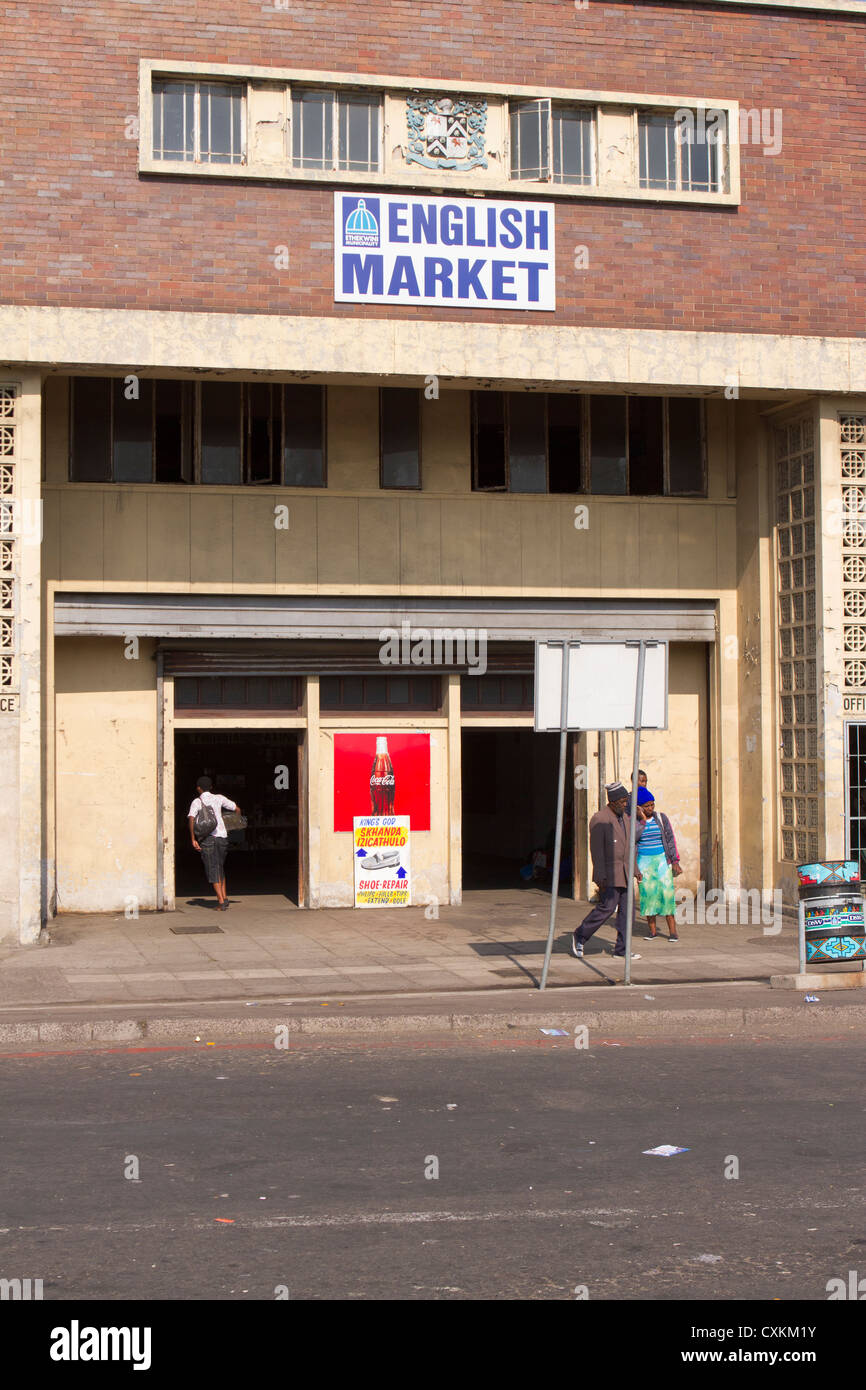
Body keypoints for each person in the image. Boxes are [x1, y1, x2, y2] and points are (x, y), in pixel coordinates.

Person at [572, 781, 644, 961]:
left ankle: (622, 950)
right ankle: (580, 935)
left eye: (626, 801)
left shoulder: (626, 818)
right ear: (612, 802)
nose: (625, 804)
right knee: (607, 908)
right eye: (622, 801)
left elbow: (630, 847)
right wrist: (600, 875)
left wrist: (635, 869)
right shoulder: (600, 819)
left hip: (626, 873)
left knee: (628, 913)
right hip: (610, 874)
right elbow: (596, 851)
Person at [188, 774, 241, 912]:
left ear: (198, 788)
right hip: (222, 837)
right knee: (220, 867)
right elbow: (236, 809)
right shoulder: (219, 798)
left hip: (208, 839)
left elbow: (191, 819)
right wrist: (233, 824)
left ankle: (221, 902)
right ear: (211, 787)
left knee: (212, 869)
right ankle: (225, 897)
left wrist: (193, 838)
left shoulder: (197, 802)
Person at [636, 786, 682, 941]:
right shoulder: (635, 822)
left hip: (662, 861)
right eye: (646, 806)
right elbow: (633, 839)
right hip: (644, 862)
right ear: (639, 807)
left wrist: (675, 860)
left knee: (667, 894)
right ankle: (652, 931)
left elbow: (670, 839)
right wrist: (642, 820)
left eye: (652, 804)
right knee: (648, 895)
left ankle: (673, 932)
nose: (650, 808)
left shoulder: (661, 818)